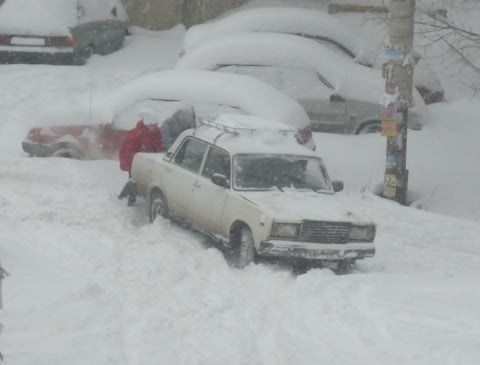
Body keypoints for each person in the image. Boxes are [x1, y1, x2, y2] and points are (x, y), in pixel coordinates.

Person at [118, 112, 164, 206]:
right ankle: (131, 200)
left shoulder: (157, 132)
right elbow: (128, 150)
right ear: (147, 124)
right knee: (134, 180)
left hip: (148, 161)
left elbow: (159, 145)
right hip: (134, 161)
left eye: (156, 125)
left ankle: (123, 196)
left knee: (139, 180)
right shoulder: (136, 134)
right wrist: (141, 157)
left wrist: (158, 155)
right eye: (152, 125)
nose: (155, 127)